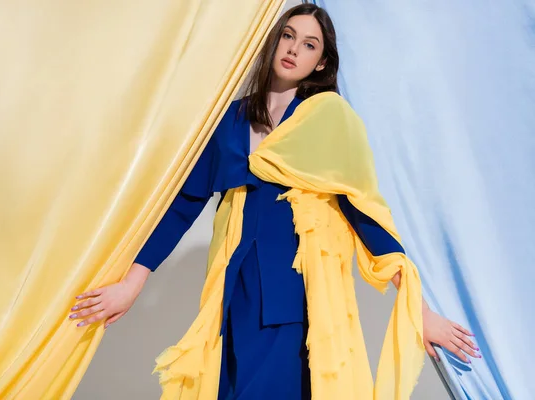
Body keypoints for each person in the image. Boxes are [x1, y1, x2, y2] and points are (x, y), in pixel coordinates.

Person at [69, 4, 480, 399]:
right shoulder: (229, 119)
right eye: (288, 36)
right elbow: (184, 204)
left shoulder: (328, 118)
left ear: (321, 62)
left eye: (309, 44)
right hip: (231, 295)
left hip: (292, 296)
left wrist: (419, 311)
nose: (293, 49)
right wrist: (131, 284)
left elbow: (366, 215)